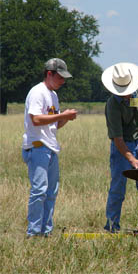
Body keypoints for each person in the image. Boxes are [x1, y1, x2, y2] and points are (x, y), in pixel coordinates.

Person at [101, 62, 138, 232]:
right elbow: (117, 138)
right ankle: (112, 226)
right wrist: (132, 159)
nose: (126, 95)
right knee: (118, 188)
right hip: (121, 148)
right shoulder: (112, 105)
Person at [22, 58, 78, 237]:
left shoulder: (53, 95)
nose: (63, 81)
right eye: (60, 77)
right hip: (38, 147)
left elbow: (53, 126)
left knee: (51, 192)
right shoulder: (37, 92)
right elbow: (36, 119)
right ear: (49, 74)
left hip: (51, 148)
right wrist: (62, 115)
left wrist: (65, 119)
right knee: (39, 191)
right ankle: (33, 233)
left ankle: (45, 232)